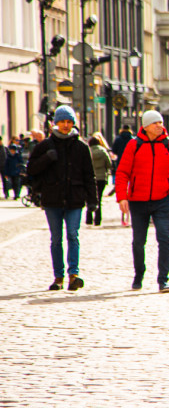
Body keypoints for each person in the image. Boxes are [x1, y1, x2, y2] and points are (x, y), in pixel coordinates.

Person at [26, 105, 97, 291]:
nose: (66, 125)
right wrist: (47, 159)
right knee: (56, 239)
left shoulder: (81, 146)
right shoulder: (45, 146)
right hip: (52, 199)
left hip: (75, 199)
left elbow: (89, 175)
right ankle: (58, 277)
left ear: (73, 123)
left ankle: (74, 274)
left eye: (69, 122)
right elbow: (31, 170)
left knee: (73, 235)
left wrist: (93, 201)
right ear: (55, 124)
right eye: (62, 122)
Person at [115, 110, 169, 292]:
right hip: (137, 201)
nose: (159, 126)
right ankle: (139, 275)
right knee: (138, 241)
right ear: (145, 126)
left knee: (164, 239)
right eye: (155, 123)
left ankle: (163, 280)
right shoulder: (134, 145)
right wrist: (122, 196)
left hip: (162, 200)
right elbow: (122, 172)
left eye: (160, 122)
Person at [86, 134, 112, 226]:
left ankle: (88, 219)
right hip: (101, 178)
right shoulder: (103, 151)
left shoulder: (87, 151)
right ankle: (98, 220)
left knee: (89, 197)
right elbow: (109, 164)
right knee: (99, 198)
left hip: (89, 178)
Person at [109, 124, 133, 196]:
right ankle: (130, 190)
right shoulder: (132, 139)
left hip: (121, 160)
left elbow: (114, 150)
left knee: (122, 176)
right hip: (131, 160)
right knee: (131, 176)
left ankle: (121, 191)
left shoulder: (118, 139)